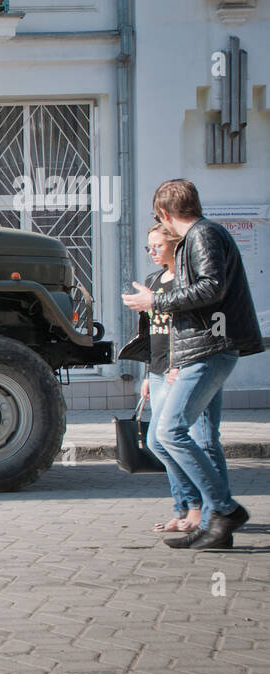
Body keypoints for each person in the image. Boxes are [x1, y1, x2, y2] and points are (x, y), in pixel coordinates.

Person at [122, 179, 264, 549]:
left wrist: (156, 302)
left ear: (165, 215)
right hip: (200, 348)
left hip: (209, 348)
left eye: (158, 219)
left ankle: (223, 509)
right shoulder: (199, 237)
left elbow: (210, 287)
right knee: (184, 436)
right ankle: (213, 525)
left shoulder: (203, 235)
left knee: (169, 433)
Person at [119, 223, 219, 535]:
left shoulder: (188, 283)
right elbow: (153, 334)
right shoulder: (153, 281)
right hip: (161, 373)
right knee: (162, 441)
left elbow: (202, 329)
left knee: (197, 442)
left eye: (157, 247)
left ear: (176, 247)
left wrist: (184, 364)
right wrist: (149, 374)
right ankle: (184, 507)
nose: (151, 253)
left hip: (186, 371)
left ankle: (204, 509)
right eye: (148, 247)